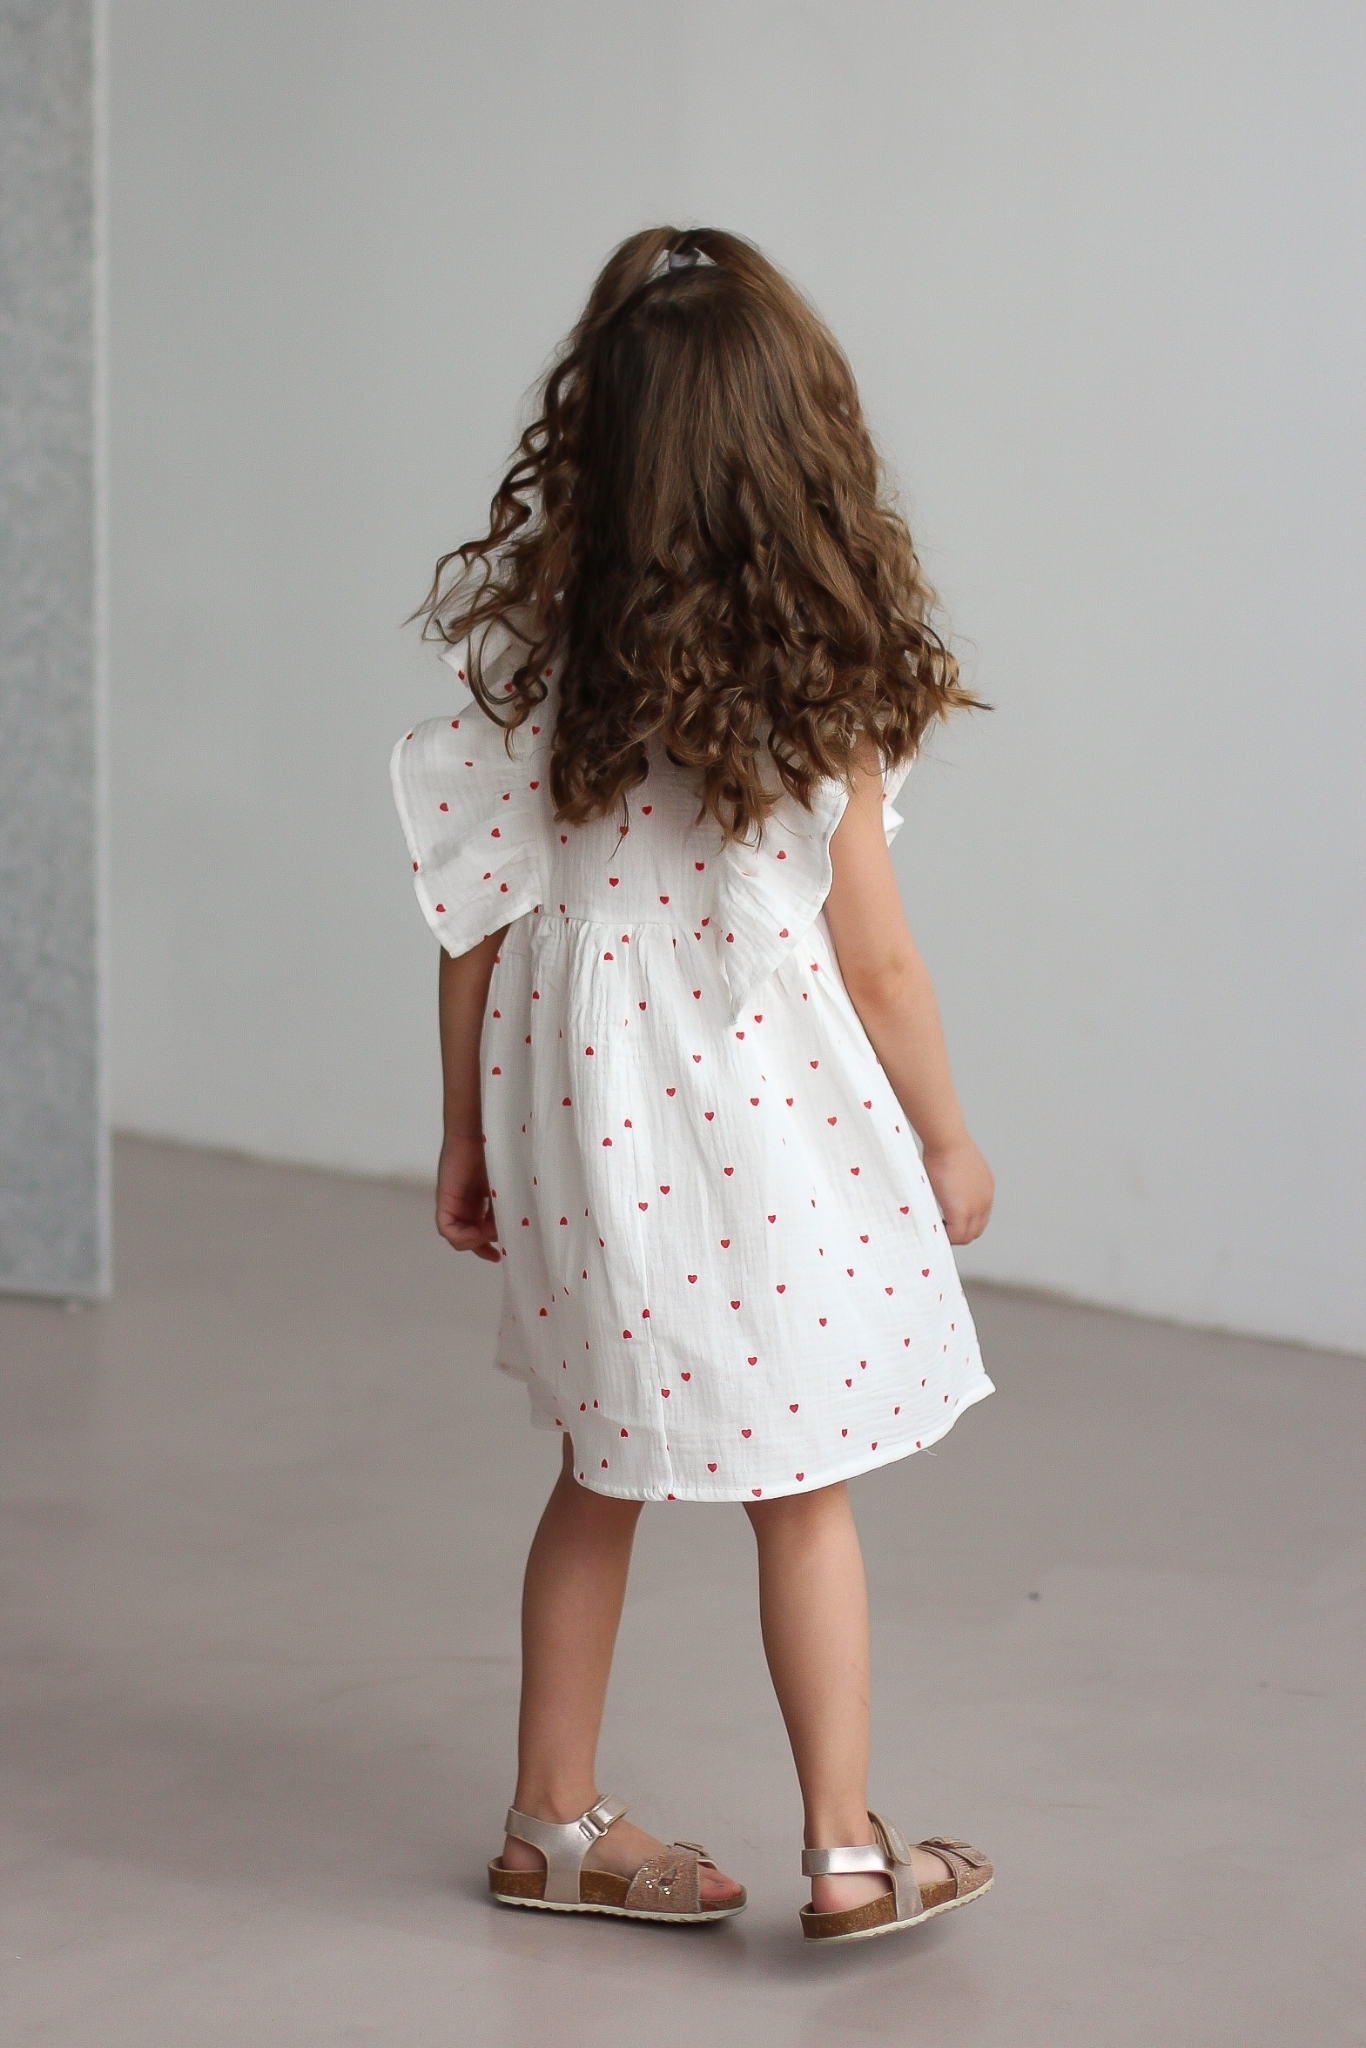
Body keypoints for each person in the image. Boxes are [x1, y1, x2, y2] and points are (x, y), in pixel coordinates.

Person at [391, 227, 996, 1945]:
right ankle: (846, 1853)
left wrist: (461, 1131)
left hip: (582, 1118)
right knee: (801, 1492)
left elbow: (470, 923)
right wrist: (946, 1135)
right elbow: (879, 965)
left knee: (602, 1463)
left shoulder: (539, 669)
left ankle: (548, 1825)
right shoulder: (817, 686)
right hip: (761, 1122)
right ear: (797, 448)